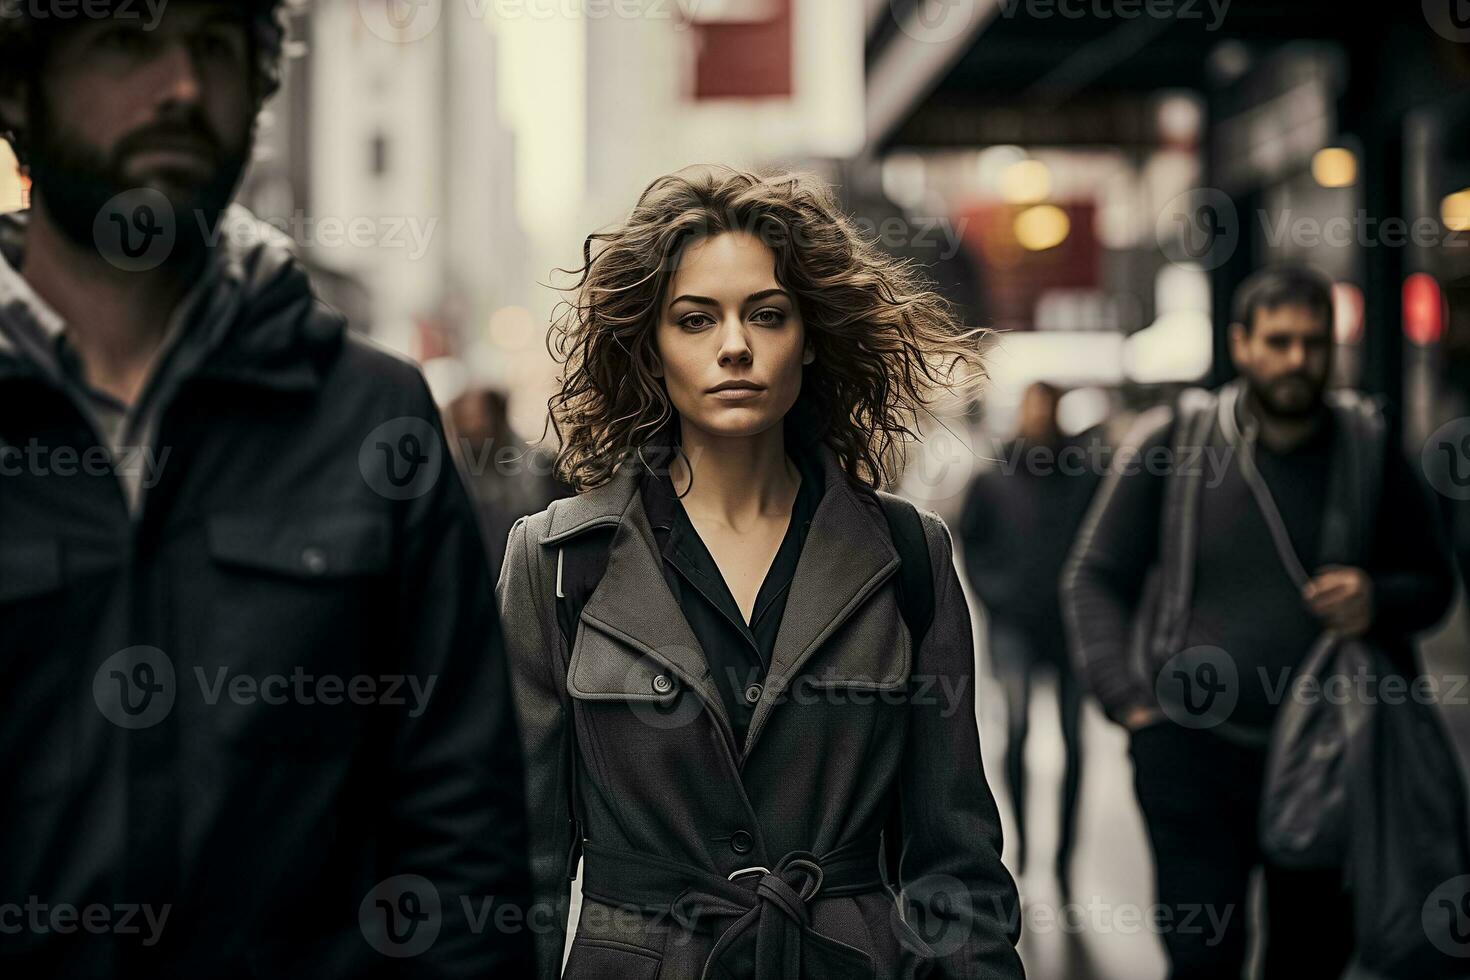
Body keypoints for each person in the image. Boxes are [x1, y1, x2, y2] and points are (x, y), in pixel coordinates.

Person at [0, 3, 532, 976]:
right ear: (17, 87)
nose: (182, 87)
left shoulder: (375, 417)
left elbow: (462, 839)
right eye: (124, 41)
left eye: (213, 47)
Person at [497, 167, 1024, 980]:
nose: (734, 345)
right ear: (653, 343)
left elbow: (955, 864)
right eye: (696, 319)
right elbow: (516, 867)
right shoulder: (557, 561)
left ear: (808, 338)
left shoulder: (908, 555)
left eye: (767, 315)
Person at [1062, 264, 1455, 979]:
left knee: (1308, 959)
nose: (1297, 360)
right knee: (1202, 957)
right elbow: (1094, 576)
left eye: (1314, 343)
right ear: (1242, 345)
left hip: (1325, 755)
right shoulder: (1173, 441)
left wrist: (1378, 597)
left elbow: (1436, 585)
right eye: (1279, 341)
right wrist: (1130, 704)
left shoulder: (1368, 447)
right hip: (1190, 754)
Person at [958, 381, 1103, 895]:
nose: (1038, 418)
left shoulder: (1085, 475)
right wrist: (998, 596)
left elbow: (1105, 550)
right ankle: (1019, 845)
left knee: (1073, 744)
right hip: (1014, 628)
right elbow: (969, 544)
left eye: (1046, 408)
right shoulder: (993, 478)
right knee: (1015, 734)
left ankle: (1064, 859)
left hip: (1069, 633)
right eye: (1031, 408)